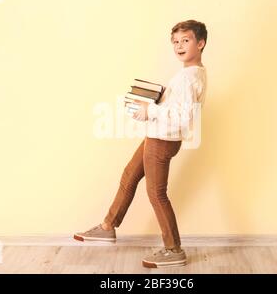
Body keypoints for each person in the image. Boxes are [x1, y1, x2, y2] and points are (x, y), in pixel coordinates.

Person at [74, 19, 208, 268]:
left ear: (200, 43)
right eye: (175, 41)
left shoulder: (190, 78)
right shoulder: (188, 74)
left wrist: (152, 109)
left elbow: (184, 117)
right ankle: (107, 227)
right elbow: (174, 109)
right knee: (129, 175)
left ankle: (173, 249)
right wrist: (151, 106)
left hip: (163, 140)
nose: (179, 45)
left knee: (156, 194)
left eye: (186, 40)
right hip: (156, 135)